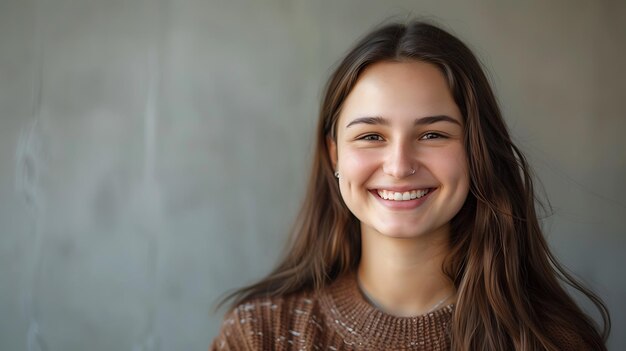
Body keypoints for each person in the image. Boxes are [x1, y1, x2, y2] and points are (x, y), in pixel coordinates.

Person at [210, 20, 610, 350]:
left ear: (476, 151)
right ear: (334, 154)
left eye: (433, 135)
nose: (399, 166)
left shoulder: (552, 342)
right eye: (371, 136)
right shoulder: (259, 335)